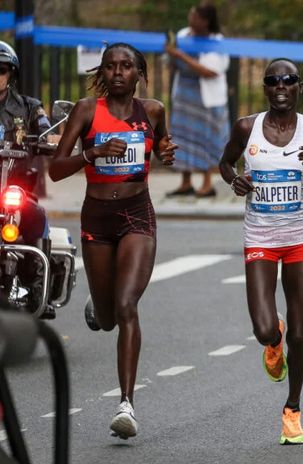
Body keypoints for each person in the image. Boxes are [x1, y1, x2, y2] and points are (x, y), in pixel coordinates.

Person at [48, 43, 177, 439]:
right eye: (110, 66)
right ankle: (98, 304)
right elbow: (55, 170)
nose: (118, 72)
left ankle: (126, 405)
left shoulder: (152, 110)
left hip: (137, 214)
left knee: (126, 306)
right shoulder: (87, 111)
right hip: (97, 219)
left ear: (140, 73)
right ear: (101, 72)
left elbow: (162, 146)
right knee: (107, 320)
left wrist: (165, 153)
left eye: (126, 66)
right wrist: (94, 153)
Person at [218, 58, 303, 445]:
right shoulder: (246, 128)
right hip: (260, 238)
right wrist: (235, 181)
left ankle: (292, 410)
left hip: (301, 238)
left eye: (288, 80)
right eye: (273, 81)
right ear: (265, 88)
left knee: (300, 335)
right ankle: (274, 342)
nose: (280, 87)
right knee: (264, 329)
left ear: (299, 86)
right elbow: (225, 163)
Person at [0, 40, 54, 317]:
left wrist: (48, 140)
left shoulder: (30, 107)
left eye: (1, 70)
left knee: (38, 217)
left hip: (15, 189)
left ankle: (36, 287)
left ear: (11, 74)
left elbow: (47, 132)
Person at [165, 2, 230, 198]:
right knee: (183, 139)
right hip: (185, 96)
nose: (190, 19)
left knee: (205, 139)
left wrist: (181, 55)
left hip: (206, 99)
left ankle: (207, 183)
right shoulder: (183, 35)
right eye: (191, 15)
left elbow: (211, 71)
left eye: (195, 16)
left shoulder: (216, 41)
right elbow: (172, 63)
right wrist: (172, 57)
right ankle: (186, 182)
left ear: (206, 21)